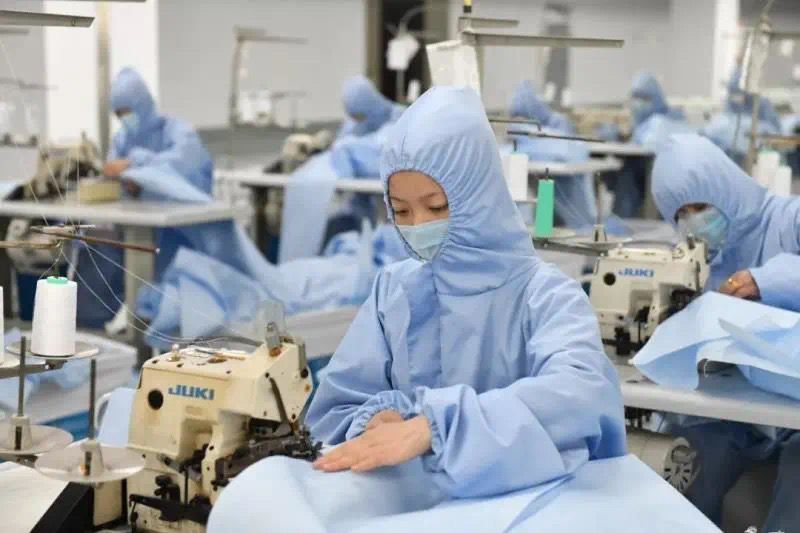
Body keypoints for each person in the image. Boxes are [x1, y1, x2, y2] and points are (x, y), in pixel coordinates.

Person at [306, 86, 626, 497]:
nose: (417, 225)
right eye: (400, 210)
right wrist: (373, 422)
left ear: (479, 195)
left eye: (436, 207)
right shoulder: (394, 292)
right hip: (413, 503)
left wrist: (437, 427)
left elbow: (578, 396)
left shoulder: (547, 297)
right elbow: (336, 408)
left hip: (528, 502)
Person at [651, 133, 800, 531]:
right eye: (680, 215)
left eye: (700, 206)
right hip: (736, 415)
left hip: (794, 413)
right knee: (684, 460)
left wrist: (768, 280)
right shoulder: (698, 262)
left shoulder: (789, 221)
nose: (693, 222)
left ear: (726, 187)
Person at [509, 80, 598, 230]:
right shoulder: (531, 136)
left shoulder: (550, 130)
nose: (517, 122)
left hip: (562, 191)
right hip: (549, 186)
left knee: (545, 206)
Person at [609, 72, 692, 218]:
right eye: (635, 97)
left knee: (628, 173)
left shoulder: (658, 123)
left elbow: (651, 145)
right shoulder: (648, 124)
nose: (638, 103)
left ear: (657, 99)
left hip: (666, 179)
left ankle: (624, 219)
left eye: (645, 98)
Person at [702, 67, 781, 167]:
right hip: (728, 147)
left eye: (737, 93)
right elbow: (727, 117)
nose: (735, 97)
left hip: (753, 145)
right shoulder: (731, 105)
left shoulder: (760, 103)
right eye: (732, 93)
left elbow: (774, 129)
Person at [337, 75, 405, 139]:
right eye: (354, 116)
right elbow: (340, 144)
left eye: (360, 116)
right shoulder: (352, 126)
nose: (358, 121)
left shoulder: (399, 117)